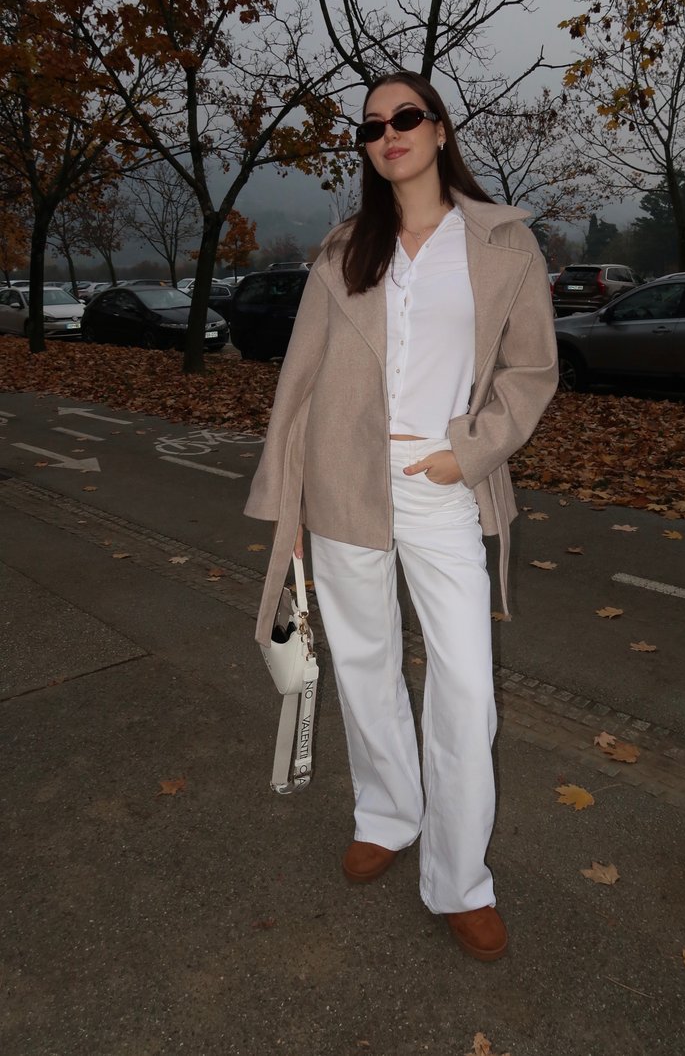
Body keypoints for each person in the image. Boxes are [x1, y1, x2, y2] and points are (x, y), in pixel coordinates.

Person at [245, 71, 557, 961]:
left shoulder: (499, 242)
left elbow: (531, 370)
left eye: (407, 117)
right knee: (369, 663)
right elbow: (297, 380)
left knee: (464, 683)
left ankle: (459, 879)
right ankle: (387, 813)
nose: (390, 133)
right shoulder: (345, 249)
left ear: (440, 127)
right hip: (345, 476)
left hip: (442, 480)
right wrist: (291, 497)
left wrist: (476, 448)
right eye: (374, 125)